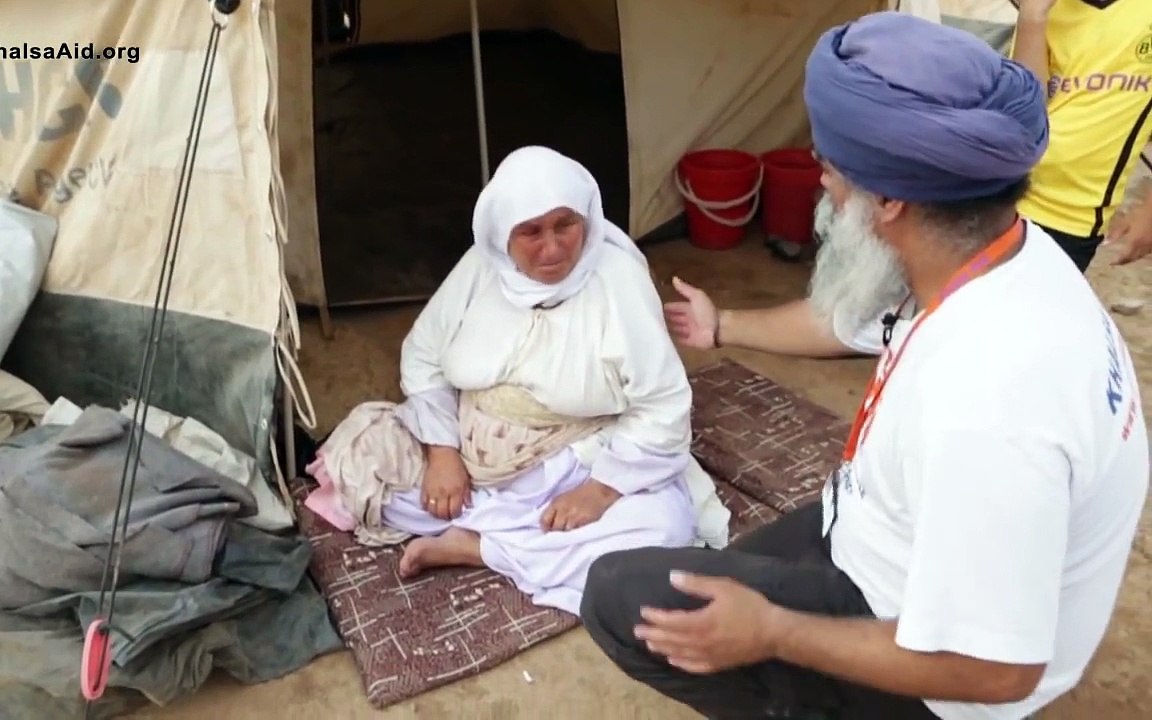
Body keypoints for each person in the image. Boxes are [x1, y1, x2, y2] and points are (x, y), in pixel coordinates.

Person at [580, 12, 1149, 720]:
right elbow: (846, 320)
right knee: (712, 574)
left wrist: (776, 631)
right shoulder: (998, 252)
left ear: (889, 199)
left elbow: (999, 669)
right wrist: (721, 324)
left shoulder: (990, 401)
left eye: (827, 166)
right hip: (877, 540)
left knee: (622, 597)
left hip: (945, 682)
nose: (822, 186)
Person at [304, 146, 731, 616]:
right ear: (501, 233)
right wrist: (442, 454)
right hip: (467, 464)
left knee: (665, 531)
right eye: (530, 231)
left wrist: (600, 491)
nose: (551, 248)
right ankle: (520, 541)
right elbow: (424, 355)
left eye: (565, 225)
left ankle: (477, 548)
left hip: (576, 465)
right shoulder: (481, 267)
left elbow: (663, 404)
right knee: (358, 465)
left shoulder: (619, 281)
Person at [1011, 0, 1152, 270]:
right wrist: (1032, 19)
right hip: (1001, 195)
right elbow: (1026, 113)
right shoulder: (1045, 8)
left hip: (1070, 215)